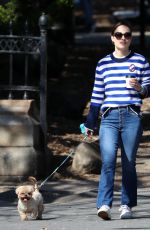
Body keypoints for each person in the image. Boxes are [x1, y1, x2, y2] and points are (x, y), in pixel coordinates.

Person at [83, 21, 150, 220]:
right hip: (109, 117)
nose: (123, 38)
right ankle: (104, 204)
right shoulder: (103, 63)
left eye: (127, 35)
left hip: (131, 116)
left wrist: (139, 88)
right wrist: (90, 123)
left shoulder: (140, 61)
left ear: (131, 38)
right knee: (109, 161)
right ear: (112, 37)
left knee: (129, 163)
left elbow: (148, 88)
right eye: (118, 35)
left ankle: (127, 205)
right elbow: (96, 95)